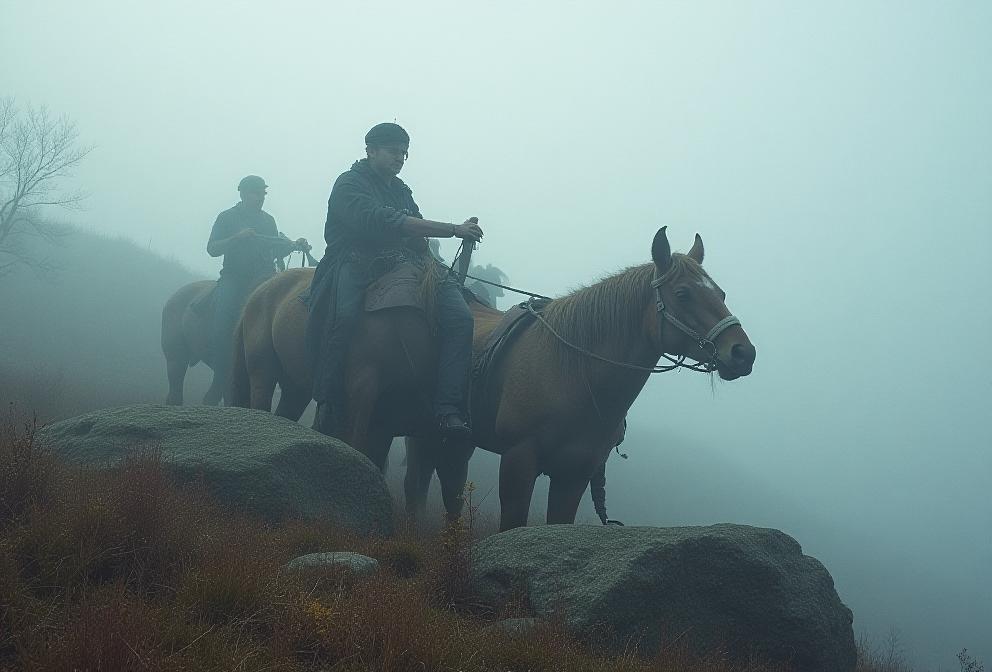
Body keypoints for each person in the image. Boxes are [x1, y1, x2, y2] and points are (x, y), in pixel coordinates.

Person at [306, 122, 484, 439]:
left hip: (403, 263)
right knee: (343, 318)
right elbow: (380, 219)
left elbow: (411, 224)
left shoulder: (401, 189)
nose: (400, 158)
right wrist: (453, 228)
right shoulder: (349, 183)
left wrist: (424, 245)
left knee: (460, 317)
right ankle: (328, 398)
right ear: (370, 151)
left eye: (404, 152)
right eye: (393, 151)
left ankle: (447, 408)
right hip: (354, 261)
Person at [206, 175, 309, 402]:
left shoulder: (268, 220)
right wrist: (236, 238)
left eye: (263, 193)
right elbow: (212, 248)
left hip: (263, 277)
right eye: (256, 193)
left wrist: (294, 245)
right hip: (234, 278)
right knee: (223, 321)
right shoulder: (227, 217)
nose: (260, 198)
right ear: (243, 194)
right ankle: (221, 362)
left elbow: (275, 248)